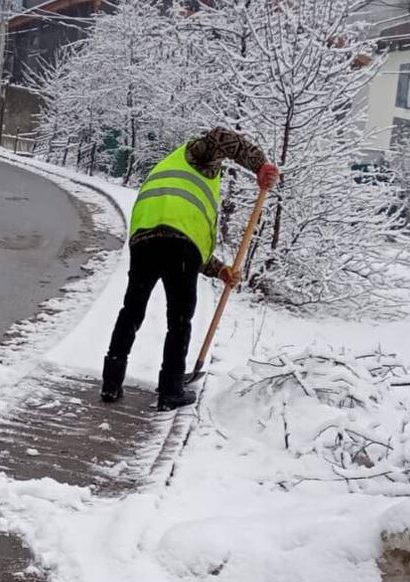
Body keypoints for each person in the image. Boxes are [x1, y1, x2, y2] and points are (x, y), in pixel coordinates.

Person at [100, 129, 280, 410]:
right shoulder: (197, 155)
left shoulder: (172, 170)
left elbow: (196, 240)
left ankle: (111, 382)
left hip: (144, 238)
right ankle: (170, 390)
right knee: (180, 320)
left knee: (131, 310)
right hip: (179, 246)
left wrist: (220, 270)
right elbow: (221, 137)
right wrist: (260, 164)